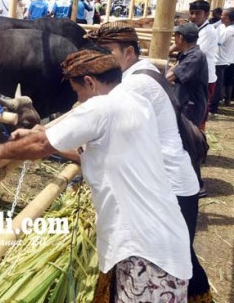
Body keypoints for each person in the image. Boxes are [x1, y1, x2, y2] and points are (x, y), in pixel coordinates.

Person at [0, 48, 191, 302]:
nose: (78, 100)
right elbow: (93, 152)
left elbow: (41, 146)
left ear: (90, 82)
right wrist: (38, 135)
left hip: (144, 251)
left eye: (78, 92)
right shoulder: (136, 103)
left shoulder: (101, 107)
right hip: (159, 238)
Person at [88, 22, 212, 301]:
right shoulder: (146, 72)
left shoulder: (133, 85)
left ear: (128, 52)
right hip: (172, 181)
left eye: (109, 54)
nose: (104, 63)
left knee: (175, 261)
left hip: (169, 187)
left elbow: (103, 129)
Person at [166, 22, 209, 128]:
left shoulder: (195, 57)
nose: (174, 40)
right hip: (185, 103)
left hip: (190, 107)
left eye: (175, 37)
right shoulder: (187, 54)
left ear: (180, 38)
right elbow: (173, 69)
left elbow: (169, 77)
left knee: (185, 137)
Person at [188, 0, 218, 130]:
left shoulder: (208, 32)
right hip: (196, 74)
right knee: (193, 107)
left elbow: (195, 52)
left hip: (205, 76)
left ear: (206, 14)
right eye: (192, 13)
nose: (194, 16)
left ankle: (199, 139)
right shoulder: (196, 28)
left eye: (198, 13)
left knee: (201, 109)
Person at [212, 7, 234, 111]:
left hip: (220, 59)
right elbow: (212, 26)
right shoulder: (223, 26)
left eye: (223, 15)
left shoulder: (229, 30)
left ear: (228, 18)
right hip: (223, 58)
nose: (221, 17)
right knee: (219, 82)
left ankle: (214, 105)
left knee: (217, 83)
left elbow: (219, 42)